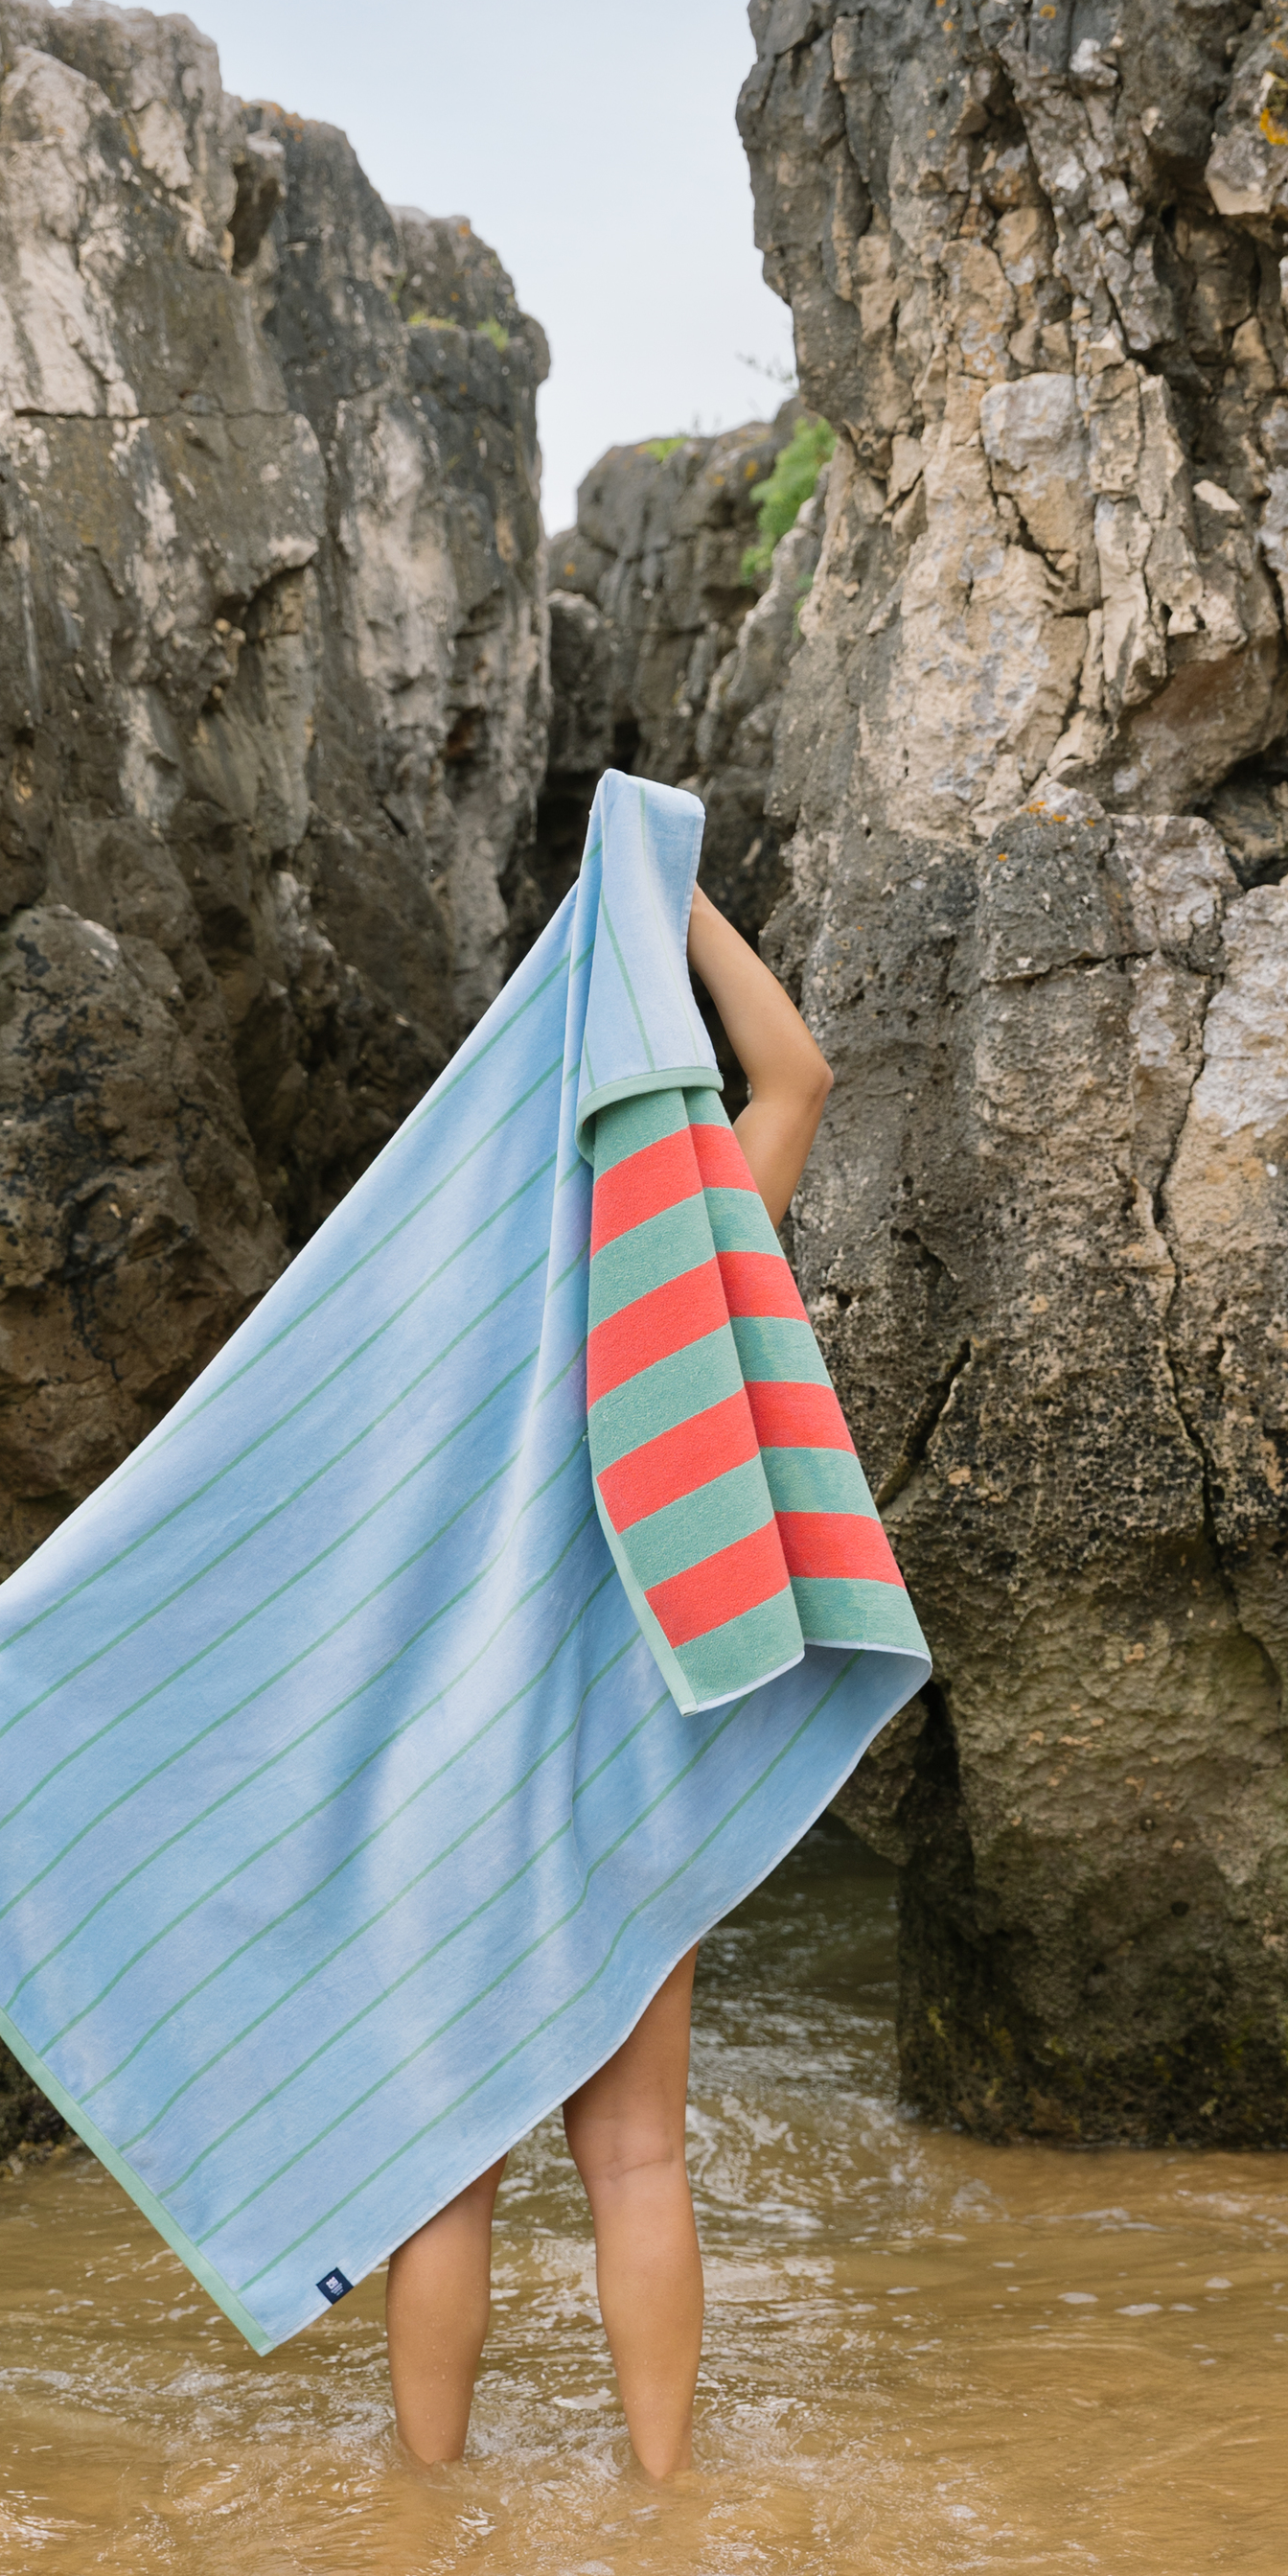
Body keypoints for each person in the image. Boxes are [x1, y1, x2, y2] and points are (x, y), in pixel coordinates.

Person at [382, 885, 834, 2478]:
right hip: (631, 1765)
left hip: (459, 1778)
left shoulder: (444, 1338)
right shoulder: (689, 1295)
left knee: (443, 2172)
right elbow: (795, 1076)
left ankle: (423, 2512)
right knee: (638, 2161)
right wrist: (667, 900)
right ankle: (662, 2498)